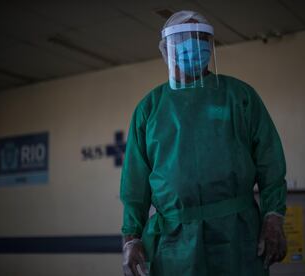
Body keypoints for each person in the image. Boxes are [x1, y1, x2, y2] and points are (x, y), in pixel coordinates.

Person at [120, 10, 287, 276]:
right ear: (167, 48)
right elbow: (135, 185)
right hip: (175, 242)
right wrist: (131, 238)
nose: (193, 45)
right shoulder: (150, 108)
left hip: (238, 234)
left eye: (200, 38)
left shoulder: (239, 96)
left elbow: (270, 161)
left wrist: (274, 216)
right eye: (185, 38)